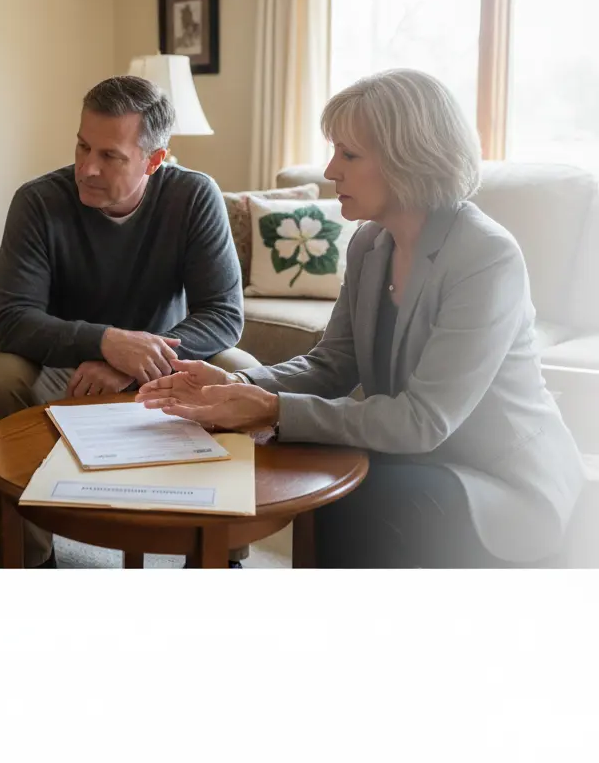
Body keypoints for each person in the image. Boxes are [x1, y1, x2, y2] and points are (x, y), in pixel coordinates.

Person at [138, 67, 585, 568]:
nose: (330, 171)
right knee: (325, 476)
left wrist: (271, 410)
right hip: (418, 456)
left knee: (359, 495)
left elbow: (423, 420)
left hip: (500, 481)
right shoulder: (371, 243)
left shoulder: (486, 257)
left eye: (348, 155)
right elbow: (335, 361)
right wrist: (238, 385)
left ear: (409, 160)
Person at [0, 74, 258, 567]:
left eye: (110, 156)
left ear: (154, 160)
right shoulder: (38, 202)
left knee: (241, 366)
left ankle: (219, 554)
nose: (87, 167)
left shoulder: (193, 197)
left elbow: (224, 314)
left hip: (163, 360)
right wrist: (105, 343)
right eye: (83, 146)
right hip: (65, 361)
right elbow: (12, 320)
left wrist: (134, 361)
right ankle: (30, 557)